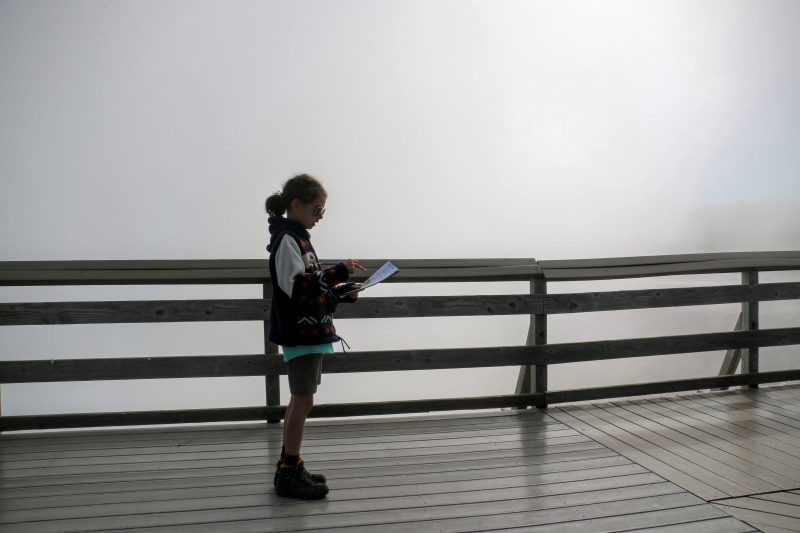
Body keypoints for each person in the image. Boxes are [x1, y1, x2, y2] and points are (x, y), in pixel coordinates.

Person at [265, 174, 364, 500]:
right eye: (317, 210)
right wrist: (338, 271)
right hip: (300, 332)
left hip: (309, 329)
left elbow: (313, 287)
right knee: (303, 399)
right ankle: (289, 472)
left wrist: (338, 293)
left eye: (323, 213)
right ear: (296, 205)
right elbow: (295, 287)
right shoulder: (287, 241)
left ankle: (289, 464)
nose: (319, 218)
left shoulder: (298, 238)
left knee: (300, 399)